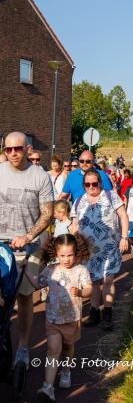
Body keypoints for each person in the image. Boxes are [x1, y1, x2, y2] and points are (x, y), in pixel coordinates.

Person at [0, 131, 54, 368]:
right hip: (0, 243)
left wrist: (29, 235)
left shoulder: (39, 177)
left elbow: (47, 213)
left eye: (17, 149)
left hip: (28, 246)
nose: (13, 153)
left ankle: (23, 346)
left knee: (24, 297)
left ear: (27, 149)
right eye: (8, 149)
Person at [22, 233, 92, 400]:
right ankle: (47, 388)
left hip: (72, 320)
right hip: (53, 320)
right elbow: (37, 283)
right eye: (62, 255)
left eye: (70, 255)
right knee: (53, 350)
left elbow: (89, 289)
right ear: (56, 254)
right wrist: (26, 271)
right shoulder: (51, 269)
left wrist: (81, 292)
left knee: (68, 348)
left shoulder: (81, 270)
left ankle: (66, 370)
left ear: (77, 253)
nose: (66, 259)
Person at [70, 169, 129, 330]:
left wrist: (124, 238)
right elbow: (75, 225)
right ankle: (95, 313)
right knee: (94, 282)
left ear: (100, 183)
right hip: (88, 251)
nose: (91, 187)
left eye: (94, 183)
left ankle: (108, 314)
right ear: (84, 185)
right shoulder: (79, 200)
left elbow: (123, 216)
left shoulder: (110, 196)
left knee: (108, 280)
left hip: (109, 247)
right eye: (87, 184)